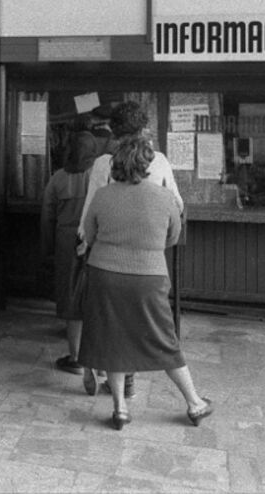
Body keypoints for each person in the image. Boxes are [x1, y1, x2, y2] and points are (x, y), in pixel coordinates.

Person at [78, 135, 212, 430]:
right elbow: (173, 236)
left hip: (104, 275)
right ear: (147, 164)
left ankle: (120, 408)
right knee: (163, 339)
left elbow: (89, 233)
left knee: (112, 339)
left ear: (116, 164)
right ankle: (194, 403)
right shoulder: (164, 198)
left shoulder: (103, 196)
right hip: (149, 276)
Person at [76, 100, 183, 396]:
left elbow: (89, 214)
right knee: (139, 319)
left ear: (112, 129)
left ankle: (99, 372)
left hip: (107, 253)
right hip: (148, 257)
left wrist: (85, 242)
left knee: (106, 318)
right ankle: (129, 379)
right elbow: (177, 204)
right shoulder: (159, 161)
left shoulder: (102, 164)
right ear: (145, 127)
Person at [41, 130, 102, 375]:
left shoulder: (57, 178)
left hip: (66, 239)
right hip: (95, 238)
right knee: (95, 294)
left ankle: (75, 357)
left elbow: (47, 216)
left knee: (70, 295)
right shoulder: (98, 176)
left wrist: (47, 249)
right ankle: (97, 354)